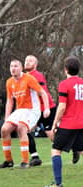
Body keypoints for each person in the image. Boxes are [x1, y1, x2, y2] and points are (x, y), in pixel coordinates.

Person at [0, 59, 50, 169]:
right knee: (4, 129)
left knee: (21, 128)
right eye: (11, 66)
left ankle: (25, 161)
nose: (13, 68)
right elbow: (10, 100)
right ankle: (8, 161)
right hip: (20, 110)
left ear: (21, 68)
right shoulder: (9, 82)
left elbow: (43, 93)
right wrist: (7, 116)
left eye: (16, 66)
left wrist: (46, 108)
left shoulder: (29, 79)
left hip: (32, 110)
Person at [45, 56, 83, 187]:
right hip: (82, 123)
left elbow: (62, 107)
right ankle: (75, 150)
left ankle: (58, 183)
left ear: (65, 69)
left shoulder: (64, 84)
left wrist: (55, 124)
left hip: (68, 124)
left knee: (56, 150)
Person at [24, 55, 57, 166]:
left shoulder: (37, 75)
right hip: (33, 110)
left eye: (31, 61)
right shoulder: (23, 77)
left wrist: (46, 108)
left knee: (51, 135)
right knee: (24, 130)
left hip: (45, 108)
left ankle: (74, 147)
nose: (27, 62)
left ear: (35, 64)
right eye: (26, 60)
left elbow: (42, 92)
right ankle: (35, 157)